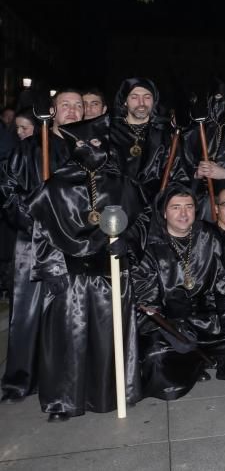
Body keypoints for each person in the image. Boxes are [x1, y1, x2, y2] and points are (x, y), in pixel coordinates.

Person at [29, 125, 147, 420]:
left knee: (109, 337)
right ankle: (63, 401)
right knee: (69, 339)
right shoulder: (55, 186)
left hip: (111, 274)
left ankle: (111, 394)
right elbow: (41, 229)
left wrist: (127, 242)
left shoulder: (121, 183)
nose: (90, 147)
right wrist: (52, 269)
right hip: (70, 279)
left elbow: (142, 219)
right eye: (82, 142)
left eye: (96, 141)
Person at [0, 89, 83, 402]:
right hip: (34, 242)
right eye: (66, 105)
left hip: (75, 244)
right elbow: (9, 190)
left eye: (78, 105)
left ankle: (65, 378)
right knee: (27, 313)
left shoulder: (88, 149)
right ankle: (21, 380)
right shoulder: (29, 148)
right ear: (52, 110)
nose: (73, 111)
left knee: (69, 314)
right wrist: (34, 220)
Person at [131, 184, 225, 401]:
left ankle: (198, 358)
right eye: (176, 207)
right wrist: (172, 326)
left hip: (207, 321)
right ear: (164, 212)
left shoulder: (208, 234)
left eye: (189, 207)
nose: (183, 213)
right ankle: (193, 361)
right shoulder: (151, 245)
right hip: (170, 325)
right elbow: (147, 299)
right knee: (157, 358)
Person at [181, 81, 225, 220]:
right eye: (217, 97)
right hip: (199, 201)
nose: (222, 102)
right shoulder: (196, 130)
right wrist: (196, 172)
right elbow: (179, 166)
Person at [109, 77, 178, 200]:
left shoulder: (166, 133)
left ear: (154, 101)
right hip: (118, 202)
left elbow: (177, 174)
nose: (141, 103)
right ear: (125, 101)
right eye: (134, 97)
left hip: (156, 205)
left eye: (147, 97)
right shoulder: (110, 132)